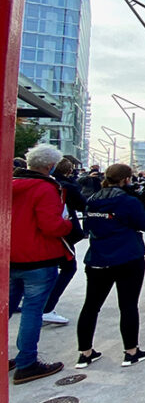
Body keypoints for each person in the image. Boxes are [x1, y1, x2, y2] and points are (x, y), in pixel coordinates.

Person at [76, 163, 145, 369]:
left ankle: (85, 353)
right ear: (126, 179)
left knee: (91, 306)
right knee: (128, 305)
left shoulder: (91, 200)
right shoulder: (128, 201)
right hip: (128, 258)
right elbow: (144, 224)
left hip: (97, 260)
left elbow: (88, 227)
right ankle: (131, 352)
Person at [10, 143, 71, 384]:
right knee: (32, 311)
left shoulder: (11, 184)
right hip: (37, 257)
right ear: (50, 166)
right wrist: (67, 225)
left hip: (10, 256)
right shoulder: (45, 188)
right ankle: (26, 363)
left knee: (6, 310)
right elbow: (51, 226)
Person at [40, 157, 87, 325]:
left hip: (39, 233)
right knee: (67, 267)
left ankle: (42, 305)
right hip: (60, 233)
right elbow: (83, 205)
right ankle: (47, 307)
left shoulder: (36, 183)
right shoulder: (63, 187)